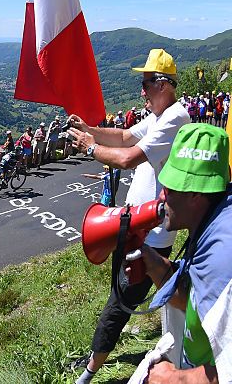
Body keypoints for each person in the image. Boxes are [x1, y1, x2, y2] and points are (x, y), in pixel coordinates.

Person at [67, 48, 190, 383]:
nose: (142, 90)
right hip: (138, 226)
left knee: (119, 302)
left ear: (164, 84)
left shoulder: (175, 118)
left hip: (151, 233)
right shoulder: (159, 116)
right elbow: (122, 137)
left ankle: (88, 372)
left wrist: (88, 147)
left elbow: (127, 158)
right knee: (136, 295)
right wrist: (90, 129)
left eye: (147, 83)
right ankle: (179, 338)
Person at [136, 122, 231, 381]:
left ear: (196, 195)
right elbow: (192, 299)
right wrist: (150, 260)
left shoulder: (222, 255)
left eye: (171, 188)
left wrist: (173, 378)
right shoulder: (212, 222)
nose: (162, 196)